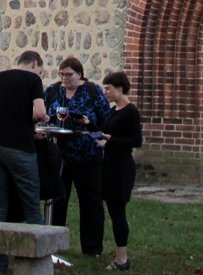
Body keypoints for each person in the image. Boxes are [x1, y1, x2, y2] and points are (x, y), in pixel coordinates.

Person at [0, 50, 48, 274]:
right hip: (20, 148)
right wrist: (31, 117)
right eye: (40, 69)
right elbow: (40, 113)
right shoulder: (33, 79)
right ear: (34, 64)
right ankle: (37, 264)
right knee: (31, 206)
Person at [44, 56, 111, 258]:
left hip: (88, 155)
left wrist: (89, 126)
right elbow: (43, 115)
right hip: (59, 155)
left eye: (69, 75)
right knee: (57, 201)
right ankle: (54, 246)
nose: (65, 79)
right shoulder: (53, 91)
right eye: (61, 75)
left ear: (79, 74)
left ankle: (92, 249)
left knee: (91, 202)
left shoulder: (92, 91)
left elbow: (105, 121)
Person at [95, 71, 142, 272]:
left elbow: (136, 141)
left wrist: (110, 140)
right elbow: (105, 130)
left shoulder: (130, 111)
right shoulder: (113, 110)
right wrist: (90, 127)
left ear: (119, 89)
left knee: (118, 212)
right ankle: (119, 255)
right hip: (110, 165)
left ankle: (122, 258)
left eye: (108, 88)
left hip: (122, 167)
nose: (105, 92)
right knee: (113, 211)